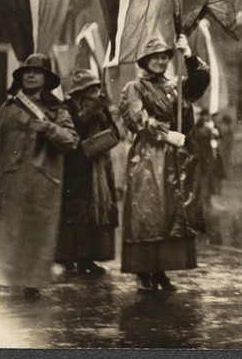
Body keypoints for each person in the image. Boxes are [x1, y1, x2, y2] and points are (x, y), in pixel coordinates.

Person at [119, 34, 210, 292]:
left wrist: (189, 56)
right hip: (150, 155)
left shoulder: (175, 85)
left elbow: (199, 83)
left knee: (170, 217)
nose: (160, 61)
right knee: (149, 214)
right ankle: (143, 272)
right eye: (155, 57)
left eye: (164, 56)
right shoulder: (134, 87)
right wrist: (164, 134)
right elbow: (135, 118)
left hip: (176, 157)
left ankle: (161, 271)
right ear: (145, 61)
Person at [0, 54, 79, 298]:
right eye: (27, 71)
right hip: (10, 181)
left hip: (41, 182)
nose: (30, 75)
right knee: (6, 233)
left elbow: (72, 140)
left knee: (35, 234)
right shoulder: (8, 108)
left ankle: (31, 284)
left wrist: (50, 128)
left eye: (37, 72)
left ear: (46, 79)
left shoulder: (56, 110)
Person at [56, 70, 120, 275]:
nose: (94, 93)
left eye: (96, 88)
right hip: (74, 167)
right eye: (89, 89)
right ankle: (68, 257)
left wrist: (102, 115)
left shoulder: (100, 108)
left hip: (97, 166)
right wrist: (87, 115)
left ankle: (89, 258)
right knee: (74, 214)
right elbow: (71, 133)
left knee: (96, 213)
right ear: (78, 93)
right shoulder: (67, 109)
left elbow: (114, 133)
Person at [190, 107, 221, 226]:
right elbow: (198, 134)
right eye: (205, 116)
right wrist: (210, 131)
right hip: (201, 157)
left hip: (207, 157)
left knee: (208, 179)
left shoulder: (209, 127)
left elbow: (217, 136)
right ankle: (202, 203)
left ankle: (206, 201)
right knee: (202, 180)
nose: (207, 118)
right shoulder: (200, 127)